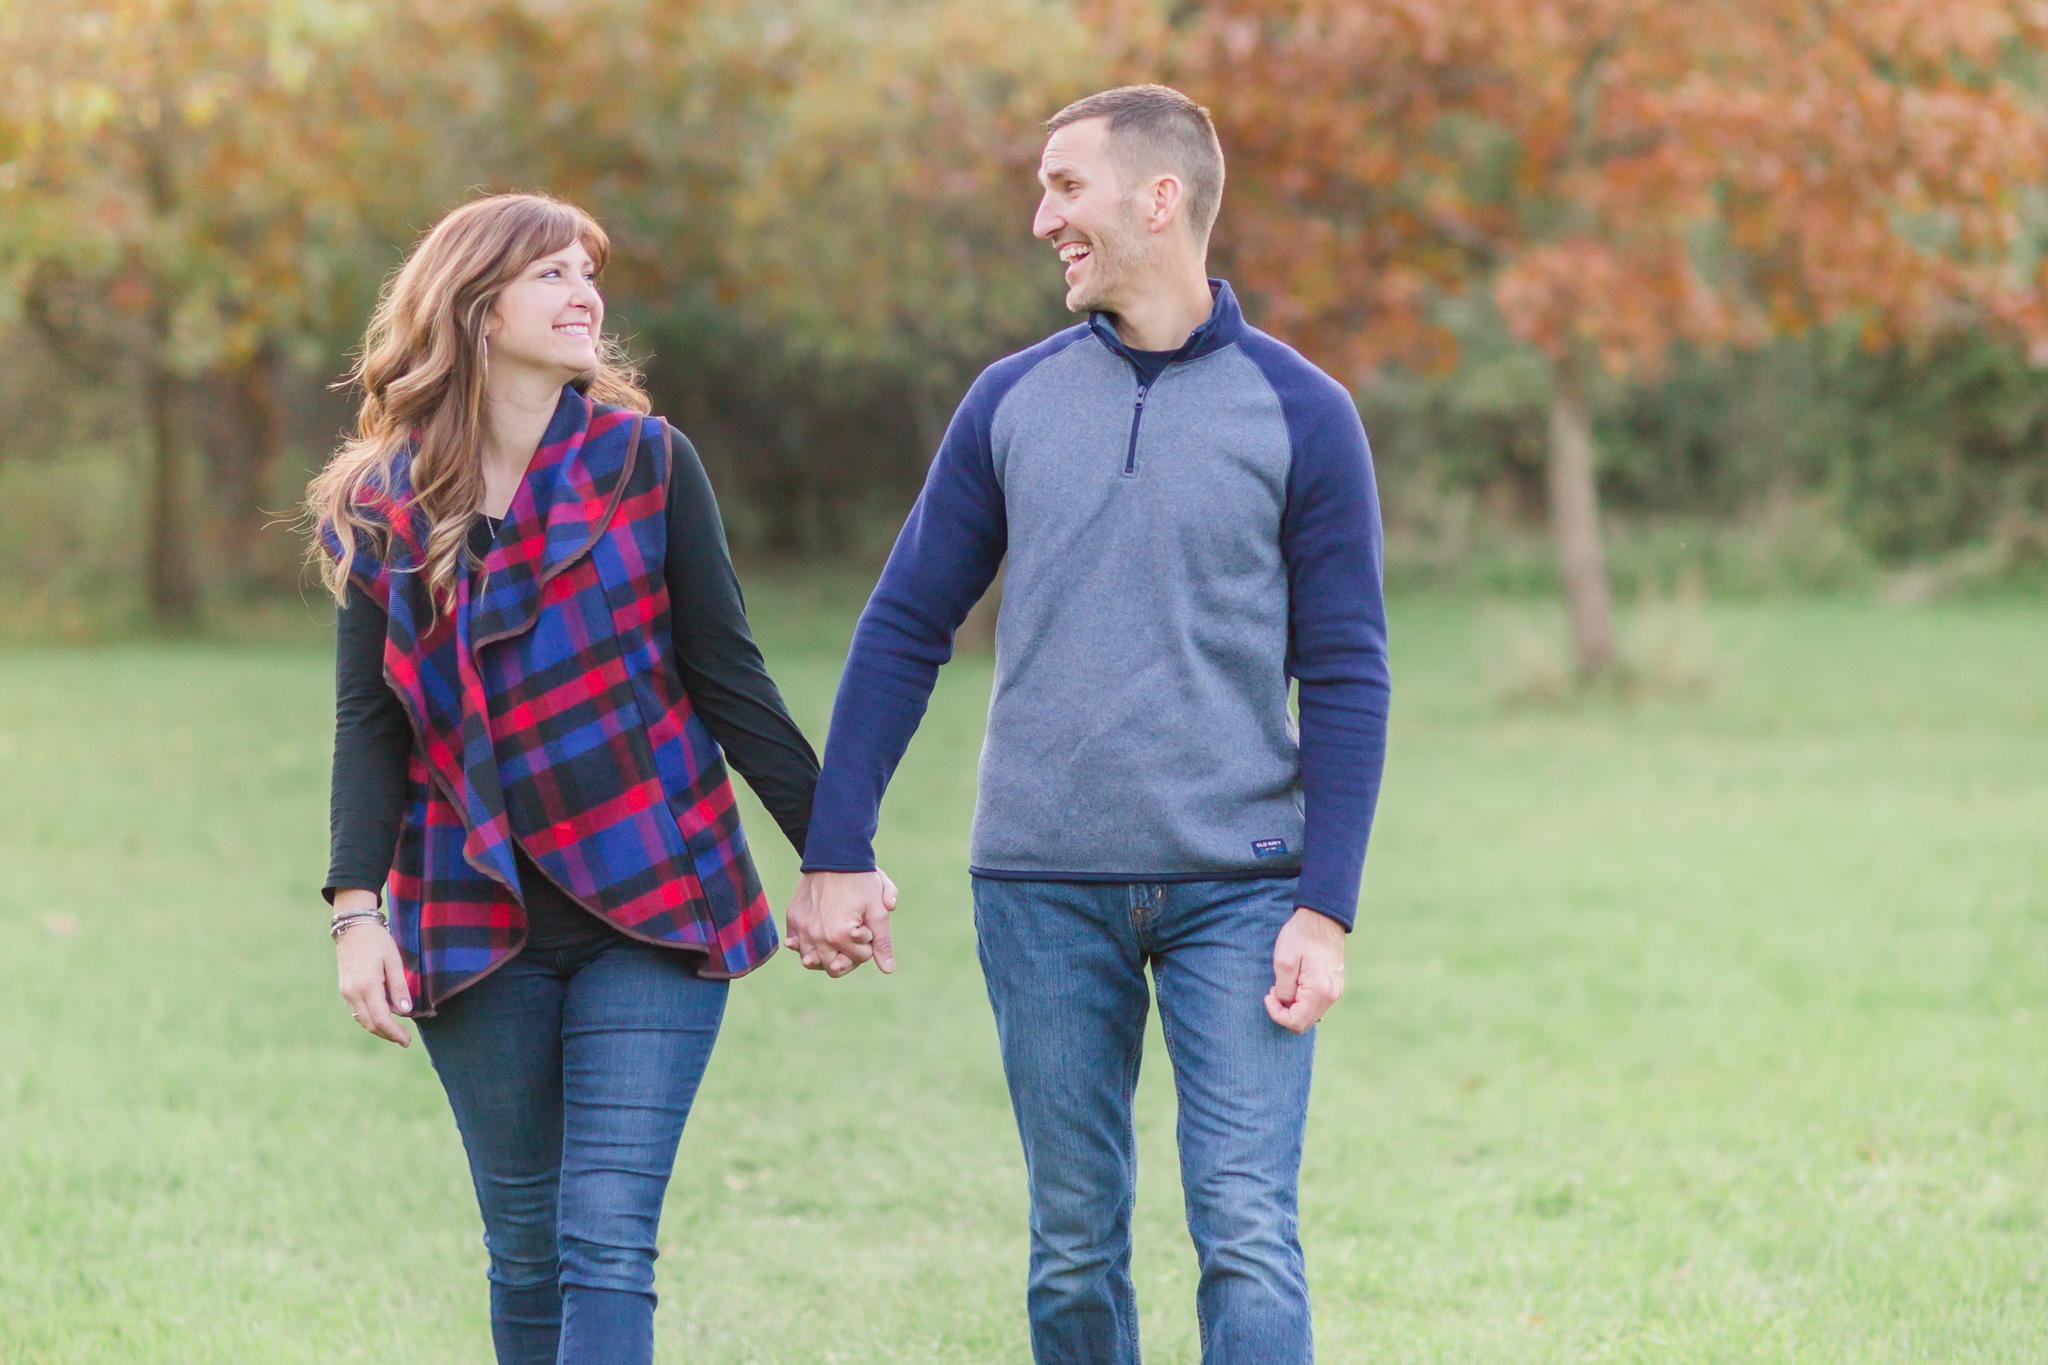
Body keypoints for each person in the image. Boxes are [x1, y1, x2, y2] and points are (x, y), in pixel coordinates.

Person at [783, 86, 1391, 1363]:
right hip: (1041, 888)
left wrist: (1324, 909)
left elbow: (1345, 672)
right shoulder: (1009, 402)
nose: (1040, 218)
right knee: (1071, 1247)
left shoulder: (1302, 413)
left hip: (1241, 889)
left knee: (1246, 1231)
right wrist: (836, 845)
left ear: (1156, 200)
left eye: (1065, 187)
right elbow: (904, 625)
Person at [306, 192, 872, 1365]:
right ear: (477, 308)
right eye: (552, 274)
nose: (584, 295)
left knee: (605, 1235)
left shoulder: (646, 465)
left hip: (655, 894)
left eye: (588, 273)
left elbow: (730, 678)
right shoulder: (381, 503)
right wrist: (355, 914)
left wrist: (836, 852)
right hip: (470, 911)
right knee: (524, 1247)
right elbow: (370, 721)